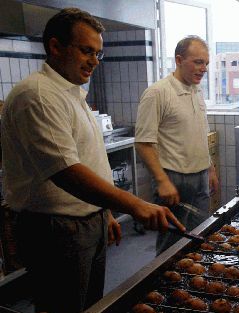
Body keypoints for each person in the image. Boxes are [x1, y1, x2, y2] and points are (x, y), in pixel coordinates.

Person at [1, 8, 184, 313]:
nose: (94, 61)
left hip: (85, 221)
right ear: (56, 46)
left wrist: (105, 213)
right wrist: (135, 204)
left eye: (98, 53)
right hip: (56, 228)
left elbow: (87, 159)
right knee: (64, 307)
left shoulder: (71, 92)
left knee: (89, 306)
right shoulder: (37, 95)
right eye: (86, 51)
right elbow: (66, 172)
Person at [135, 36, 218, 255]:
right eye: (198, 62)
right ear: (179, 59)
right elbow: (143, 143)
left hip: (200, 177)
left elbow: (200, 133)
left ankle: (192, 281)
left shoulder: (196, 91)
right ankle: (166, 285)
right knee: (172, 242)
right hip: (173, 178)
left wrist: (209, 168)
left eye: (206, 63)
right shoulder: (158, 93)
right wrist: (162, 181)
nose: (204, 69)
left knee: (199, 236)